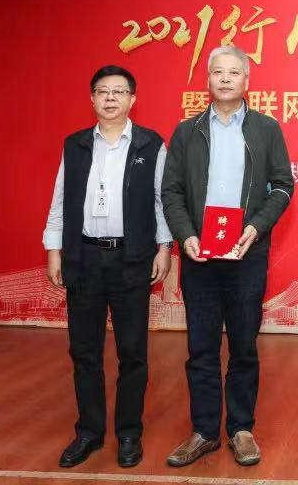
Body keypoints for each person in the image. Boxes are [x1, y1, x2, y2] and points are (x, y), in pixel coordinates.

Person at [161, 45, 293, 467]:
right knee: (200, 347)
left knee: (243, 346)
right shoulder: (187, 131)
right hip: (199, 256)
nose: (225, 79)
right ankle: (203, 431)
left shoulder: (266, 128)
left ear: (246, 81)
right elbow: (171, 191)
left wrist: (256, 227)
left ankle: (240, 429)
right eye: (218, 72)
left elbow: (283, 186)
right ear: (207, 79)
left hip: (246, 254)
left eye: (234, 73)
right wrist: (185, 235)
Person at [43, 65, 172, 469]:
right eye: (103, 91)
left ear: (133, 99)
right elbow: (60, 202)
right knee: (84, 351)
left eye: (119, 91)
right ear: (92, 99)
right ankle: (89, 432)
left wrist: (164, 246)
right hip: (83, 259)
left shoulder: (151, 144)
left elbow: (162, 200)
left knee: (133, 352)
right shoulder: (75, 145)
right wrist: (53, 249)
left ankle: (129, 433)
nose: (111, 98)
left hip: (132, 258)